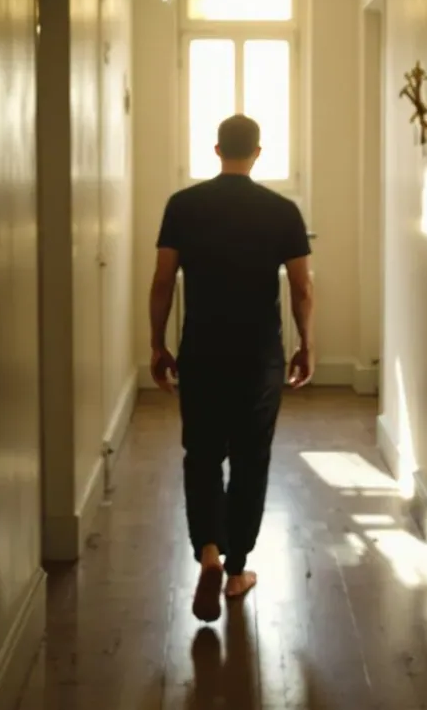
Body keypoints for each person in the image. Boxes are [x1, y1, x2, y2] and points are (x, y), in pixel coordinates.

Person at [148, 114, 315, 623]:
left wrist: (157, 344)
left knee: (200, 454)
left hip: (202, 349)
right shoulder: (282, 211)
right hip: (258, 355)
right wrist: (306, 344)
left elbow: (163, 280)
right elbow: (302, 287)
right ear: (258, 153)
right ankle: (237, 568)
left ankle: (208, 551)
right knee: (250, 459)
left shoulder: (183, 206)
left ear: (216, 150)